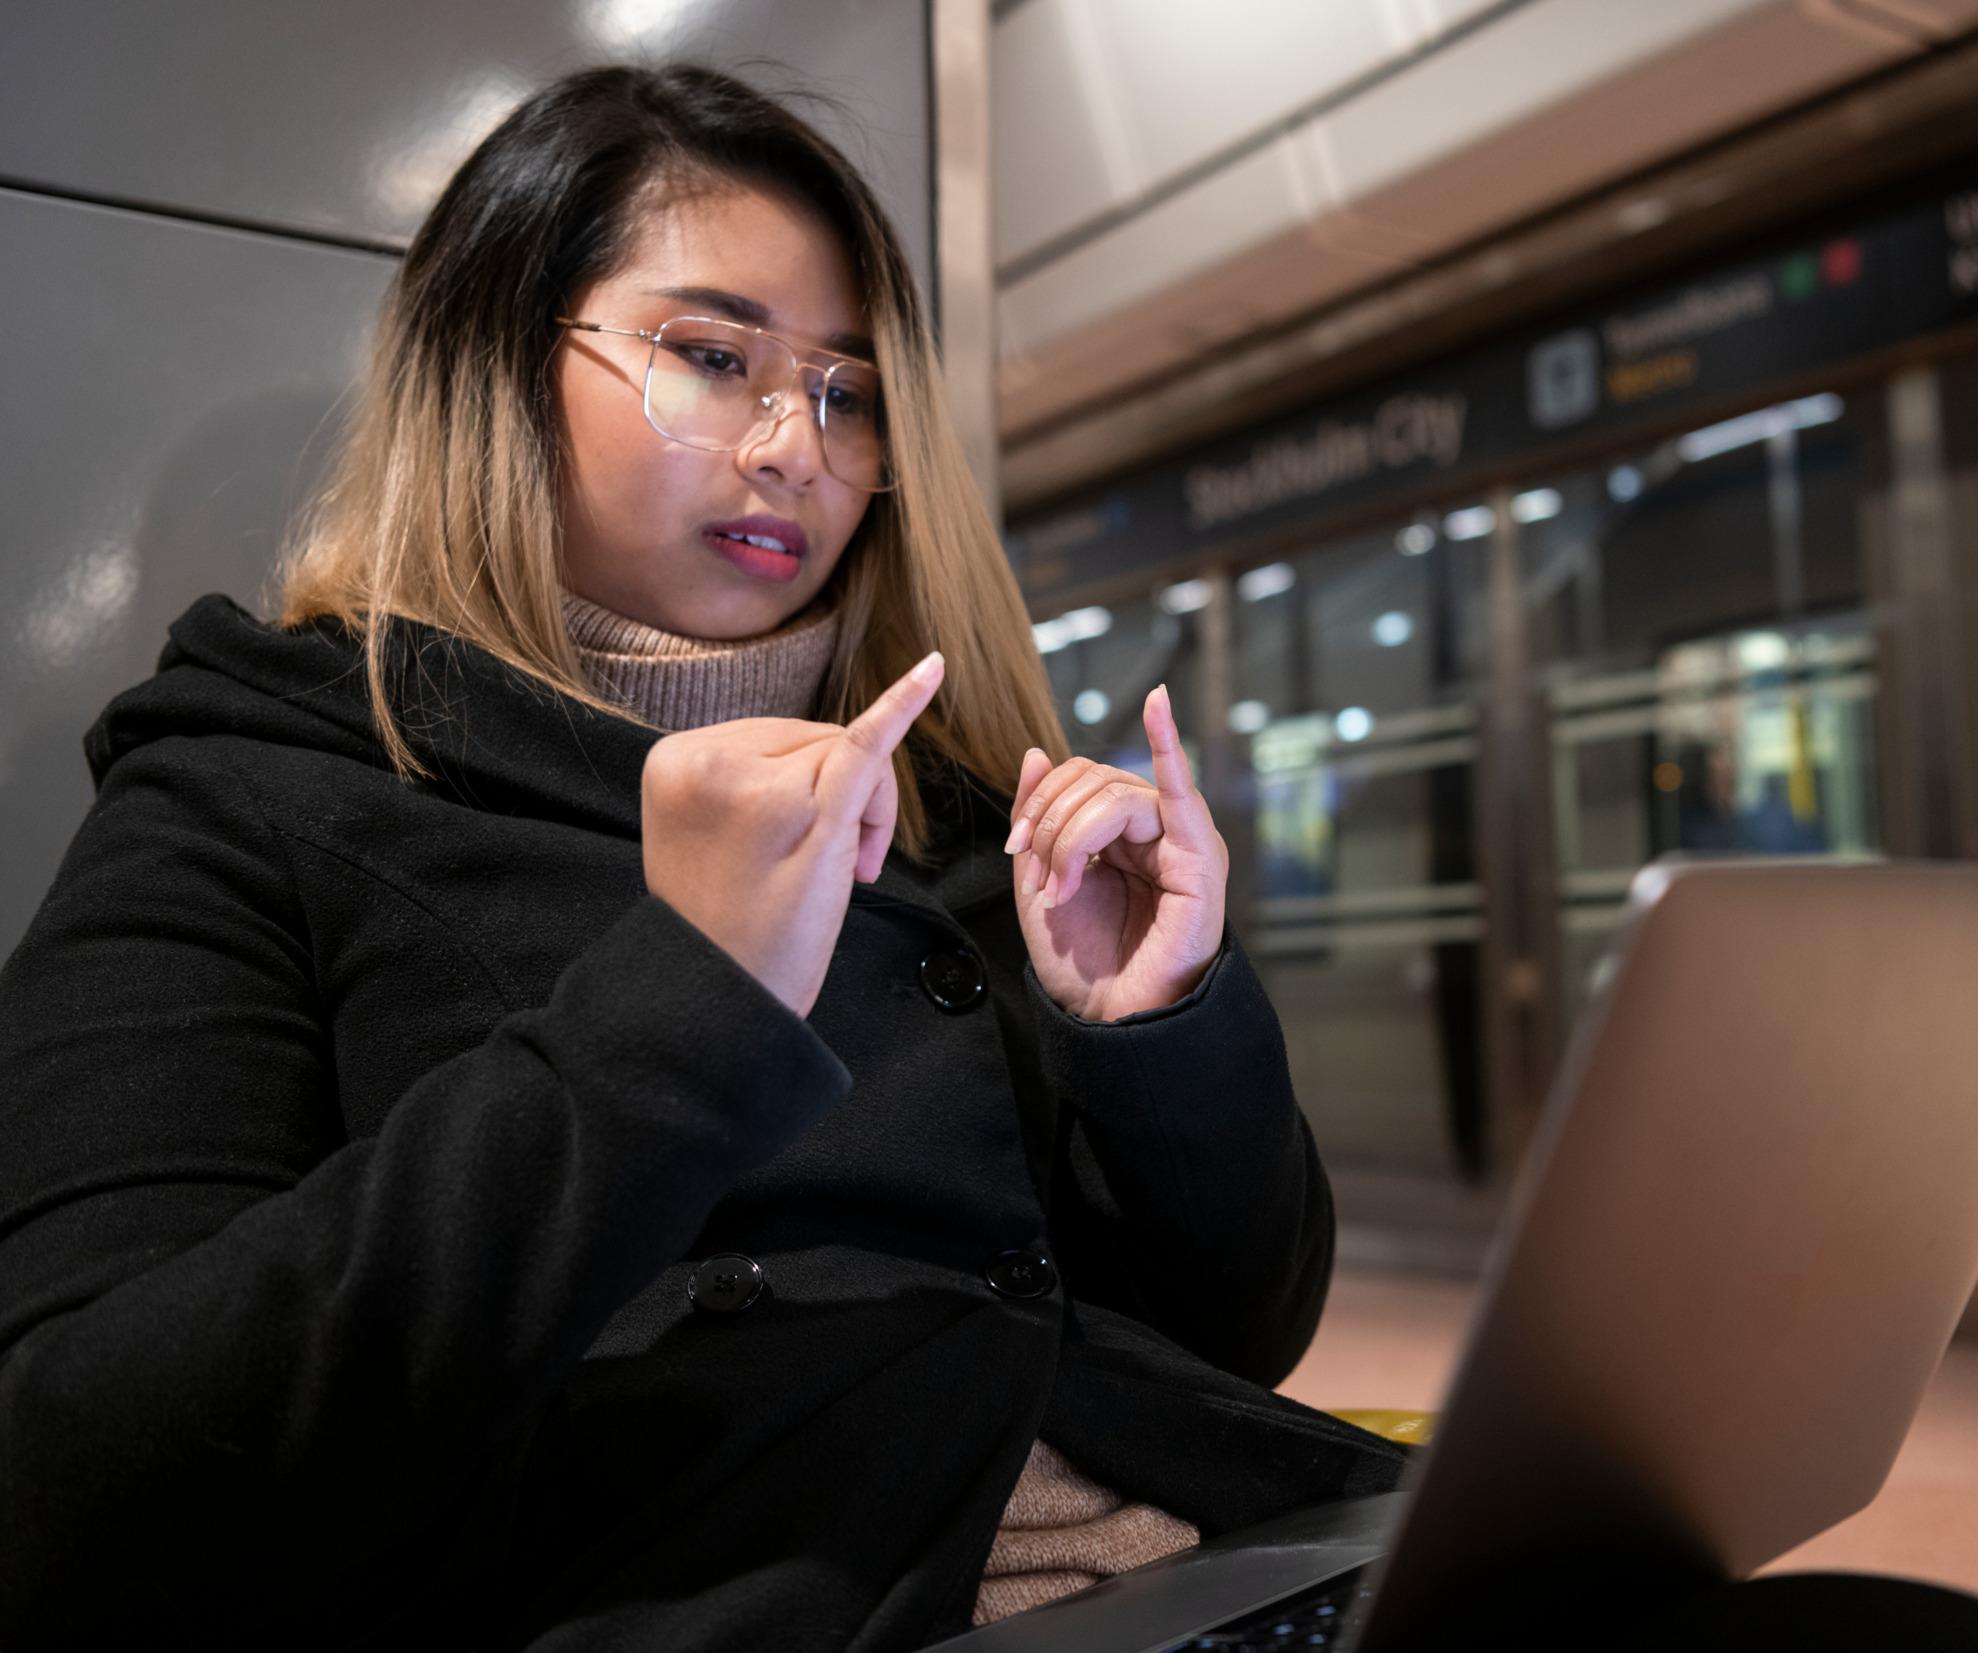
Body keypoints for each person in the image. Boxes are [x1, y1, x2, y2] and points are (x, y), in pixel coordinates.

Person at [0, 64, 1406, 1652]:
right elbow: (76, 1484)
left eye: (848, 390)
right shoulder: (260, 786)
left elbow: (1242, 1334)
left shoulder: (946, 795)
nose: (793, 445)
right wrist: (684, 998)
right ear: (499, 367)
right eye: (713, 355)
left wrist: (1159, 1027)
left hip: (1202, 1569)